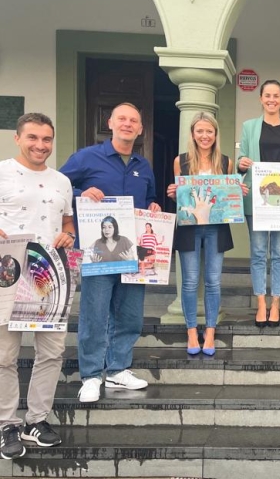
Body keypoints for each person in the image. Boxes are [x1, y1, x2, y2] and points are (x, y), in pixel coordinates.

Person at [60, 102, 160, 403]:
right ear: (111, 123)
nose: (128, 124)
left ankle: (118, 369)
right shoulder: (87, 157)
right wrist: (80, 193)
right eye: (122, 119)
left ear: (140, 129)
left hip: (132, 254)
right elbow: (60, 188)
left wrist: (154, 207)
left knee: (129, 315)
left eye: (134, 120)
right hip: (98, 254)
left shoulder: (144, 167)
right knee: (95, 313)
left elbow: (150, 200)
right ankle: (91, 375)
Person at [0, 113, 75, 459]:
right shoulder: (1, 173)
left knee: (52, 352)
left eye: (46, 139)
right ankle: (7, 424)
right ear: (18, 138)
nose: (40, 145)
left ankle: (36, 420)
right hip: (8, 272)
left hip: (49, 275)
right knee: (5, 355)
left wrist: (69, 233)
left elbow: (67, 220)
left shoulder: (61, 180)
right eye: (33, 138)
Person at [237, 80, 280, 327]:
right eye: (267, 95)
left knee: (279, 254)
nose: (272, 99)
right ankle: (261, 303)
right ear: (261, 98)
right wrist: (241, 162)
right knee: (257, 253)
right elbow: (240, 158)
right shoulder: (249, 126)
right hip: (257, 200)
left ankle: (276, 302)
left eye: (276, 95)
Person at [167, 112, 237, 356]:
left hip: (216, 228)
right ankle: (190, 331)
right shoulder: (181, 161)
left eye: (209, 131)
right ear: (193, 134)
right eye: (200, 131)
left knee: (213, 281)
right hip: (189, 227)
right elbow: (181, 198)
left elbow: (227, 198)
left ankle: (209, 332)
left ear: (216, 134)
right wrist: (174, 193)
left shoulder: (226, 162)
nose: (205, 136)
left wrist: (238, 193)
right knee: (189, 282)